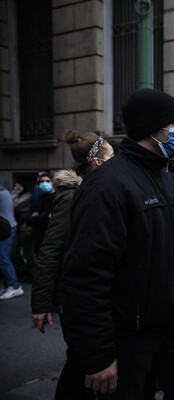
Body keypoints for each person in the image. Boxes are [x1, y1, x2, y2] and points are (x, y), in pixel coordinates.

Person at [60, 88, 174, 398]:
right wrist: (99, 355)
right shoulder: (106, 186)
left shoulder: (167, 176)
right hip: (127, 337)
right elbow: (85, 276)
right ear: (152, 127)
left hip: (173, 328)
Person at [30, 130, 114, 399]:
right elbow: (50, 251)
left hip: (93, 294)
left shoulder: (101, 189)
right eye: (113, 156)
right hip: (75, 296)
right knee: (81, 362)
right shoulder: (72, 197)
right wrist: (41, 303)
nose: (118, 161)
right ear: (99, 162)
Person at [0, 185, 24, 300]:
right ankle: (9, 284)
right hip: (8, 227)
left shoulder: (2, 193)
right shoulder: (4, 191)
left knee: (3, 258)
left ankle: (14, 286)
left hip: (5, 228)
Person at [26, 172, 56, 255]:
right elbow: (30, 218)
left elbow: (53, 219)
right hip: (38, 237)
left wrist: (38, 217)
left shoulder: (57, 198)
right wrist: (45, 215)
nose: (44, 183)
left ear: (52, 182)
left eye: (47, 181)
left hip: (51, 237)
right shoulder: (40, 198)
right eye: (42, 181)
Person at [10, 181, 33, 280]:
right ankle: (21, 270)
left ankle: (31, 273)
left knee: (28, 252)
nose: (16, 187)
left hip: (24, 226)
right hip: (16, 226)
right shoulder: (16, 194)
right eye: (15, 185)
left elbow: (14, 204)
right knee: (13, 251)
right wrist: (15, 192)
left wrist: (15, 193)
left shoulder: (28, 195)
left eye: (18, 185)